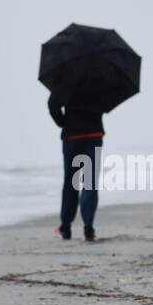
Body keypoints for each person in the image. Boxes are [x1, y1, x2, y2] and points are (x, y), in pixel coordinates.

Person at [48, 88, 103, 241]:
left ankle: (66, 226)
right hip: (94, 134)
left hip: (72, 136)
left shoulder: (67, 78)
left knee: (71, 182)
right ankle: (88, 226)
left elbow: (52, 104)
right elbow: (107, 103)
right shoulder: (101, 77)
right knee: (90, 182)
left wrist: (62, 122)